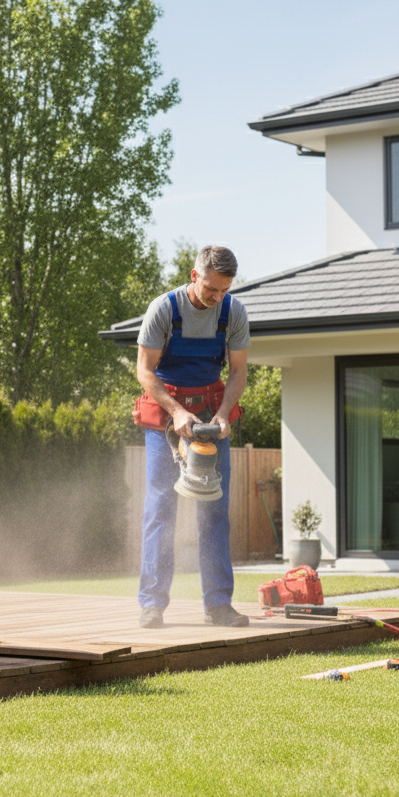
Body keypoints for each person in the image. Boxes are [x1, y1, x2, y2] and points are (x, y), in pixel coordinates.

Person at [133, 245, 251, 629]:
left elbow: (238, 371)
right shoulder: (164, 310)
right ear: (194, 275)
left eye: (224, 290)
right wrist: (177, 411)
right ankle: (152, 604)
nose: (217, 297)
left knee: (214, 509)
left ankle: (219, 605)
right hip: (167, 417)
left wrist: (222, 414)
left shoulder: (233, 312)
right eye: (211, 288)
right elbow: (145, 370)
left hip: (211, 414)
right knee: (161, 508)